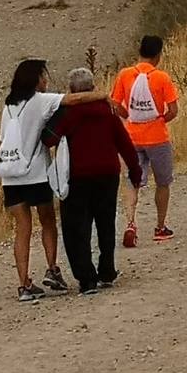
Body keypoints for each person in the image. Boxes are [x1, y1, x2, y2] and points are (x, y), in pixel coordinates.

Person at [0, 59, 105, 303]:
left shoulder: (9, 106)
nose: (46, 80)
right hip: (35, 173)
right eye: (44, 76)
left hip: (10, 176)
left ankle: (23, 284)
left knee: (21, 229)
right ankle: (52, 269)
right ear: (36, 79)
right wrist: (102, 96)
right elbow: (73, 99)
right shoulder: (40, 101)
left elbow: (4, 137)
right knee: (47, 221)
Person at [46, 68, 142, 295]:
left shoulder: (67, 113)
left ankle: (86, 278)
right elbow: (124, 142)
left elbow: (49, 138)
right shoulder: (107, 111)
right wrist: (135, 171)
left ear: (71, 91)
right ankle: (107, 270)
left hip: (77, 176)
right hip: (107, 173)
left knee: (76, 227)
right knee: (105, 222)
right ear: (93, 87)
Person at [110, 35, 180, 247]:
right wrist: (160, 119)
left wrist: (128, 115)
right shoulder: (161, 77)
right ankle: (160, 226)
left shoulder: (125, 74)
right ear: (158, 54)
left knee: (133, 181)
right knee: (163, 182)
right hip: (157, 137)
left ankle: (131, 222)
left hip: (132, 137)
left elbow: (114, 103)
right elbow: (173, 110)